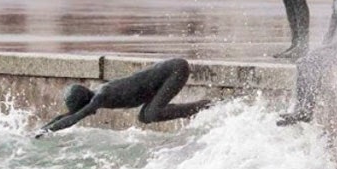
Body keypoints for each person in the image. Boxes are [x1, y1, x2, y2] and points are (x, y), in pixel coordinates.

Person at [35, 58, 211, 136]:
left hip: (175, 70)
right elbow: (70, 115)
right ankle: (200, 108)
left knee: (151, 114)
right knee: (145, 116)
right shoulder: (95, 95)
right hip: (167, 74)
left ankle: (206, 107)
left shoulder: (101, 96)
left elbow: (75, 118)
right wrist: (41, 129)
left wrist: (48, 131)